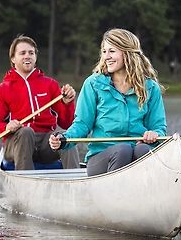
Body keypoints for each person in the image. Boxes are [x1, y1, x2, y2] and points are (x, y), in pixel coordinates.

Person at [49, 28, 166, 176]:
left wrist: (154, 135)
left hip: (137, 150)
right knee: (123, 149)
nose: (106, 57)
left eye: (112, 51)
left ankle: (146, 193)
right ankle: (112, 195)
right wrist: (64, 139)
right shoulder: (93, 84)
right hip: (101, 158)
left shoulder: (150, 87)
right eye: (104, 52)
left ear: (128, 53)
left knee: (143, 150)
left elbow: (158, 127)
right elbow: (82, 124)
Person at [0, 34, 80, 170]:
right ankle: (25, 182)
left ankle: (75, 183)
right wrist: (6, 127)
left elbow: (66, 123)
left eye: (31, 52)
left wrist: (67, 103)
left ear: (35, 57)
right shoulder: (3, 89)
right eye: (22, 53)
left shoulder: (50, 85)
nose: (27, 56)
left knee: (65, 138)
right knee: (26, 132)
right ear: (13, 58)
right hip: (17, 142)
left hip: (46, 143)